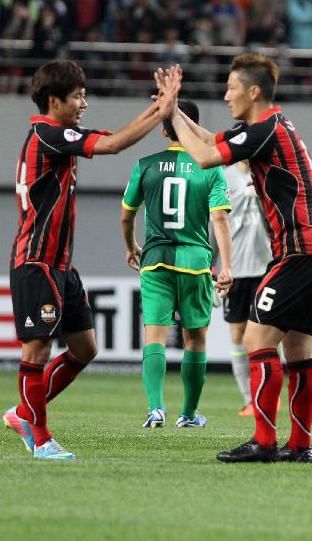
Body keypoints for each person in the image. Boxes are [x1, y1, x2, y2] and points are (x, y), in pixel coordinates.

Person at [166, 54, 312, 464]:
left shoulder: (264, 130)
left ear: (254, 91)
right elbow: (214, 142)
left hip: (298, 253)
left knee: (254, 340)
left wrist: (172, 117)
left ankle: (264, 440)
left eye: (231, 88)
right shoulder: (273, 127)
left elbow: (205, 157)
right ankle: (298, 446)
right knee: (298, 352)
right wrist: (176, 111)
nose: (226, 96)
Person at [3, 61, 177, 460]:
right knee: (37, 352)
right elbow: (115, 145)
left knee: (85, 349)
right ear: (54, 100)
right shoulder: (47, 133)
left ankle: (23, 412)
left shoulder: (58, 136)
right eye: (78, 96)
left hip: (61, 265)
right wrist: (162, 110)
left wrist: (161, 107)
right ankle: (41, 438)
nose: (84, 103)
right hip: (36, 262)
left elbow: (114, 137)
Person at [120, 99, 234, 429]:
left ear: (163, 128)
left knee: (154, 335)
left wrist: (131, 247)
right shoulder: (211, 168)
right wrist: (226, 265)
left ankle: (156, 408)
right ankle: (188, 414)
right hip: (196, 263)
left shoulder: (146, 164)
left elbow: (127, 215)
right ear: (192, 128)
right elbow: (220, 220)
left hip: (155, 260)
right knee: (195, 340)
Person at [221, 160, 272, 416]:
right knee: (237, 334)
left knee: (268, 333)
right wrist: (213, 263)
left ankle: (266, 395)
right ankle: (249, 399)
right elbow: (216, 218)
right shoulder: (224, 176)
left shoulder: (266, 172)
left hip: (266, 266)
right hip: (237, 268)